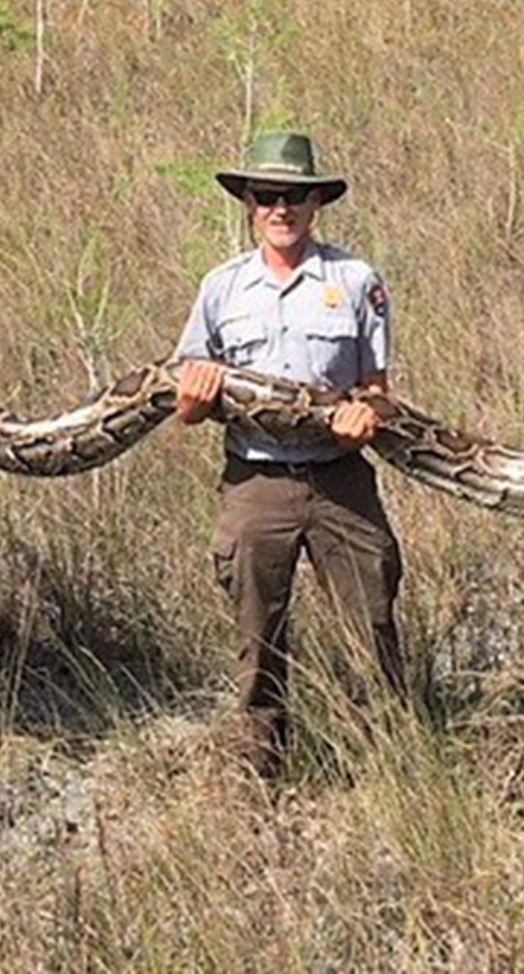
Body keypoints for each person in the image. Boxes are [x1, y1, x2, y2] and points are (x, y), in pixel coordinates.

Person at [173, 131, 405, 779]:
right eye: (268, 195)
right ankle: (260, 773)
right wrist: (194, 397)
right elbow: (185, 404)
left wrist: (368, 415)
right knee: (257, 635)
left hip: (340, 480)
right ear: (248, 203)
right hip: (256, 480)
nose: (282, 208)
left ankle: (386, 767)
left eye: (295, 196)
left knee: (372, 624)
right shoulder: (222, 288)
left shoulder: (357, 281)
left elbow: (381, 394)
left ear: (316, 203)